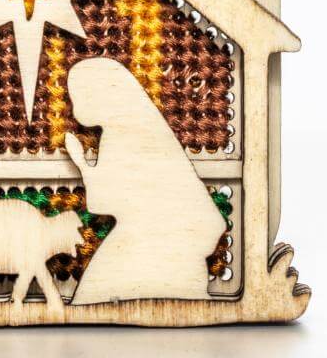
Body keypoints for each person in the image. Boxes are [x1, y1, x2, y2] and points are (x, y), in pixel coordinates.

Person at [64, 57, 225, 303]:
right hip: (158, 244)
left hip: (151, 249)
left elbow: (100, 203)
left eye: (79, 97)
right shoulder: (137, 129)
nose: (76, 108)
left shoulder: (120, 137)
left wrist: (82, 163)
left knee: (93, 298)